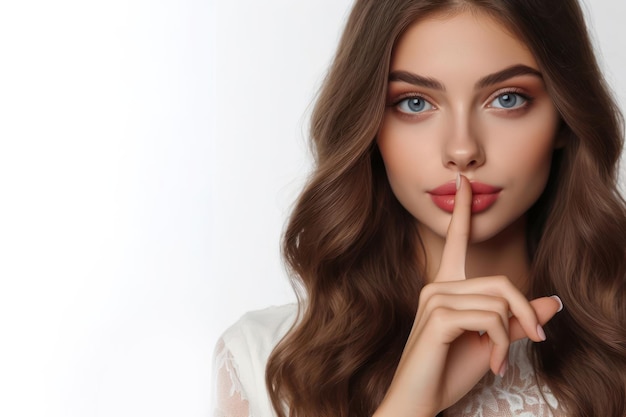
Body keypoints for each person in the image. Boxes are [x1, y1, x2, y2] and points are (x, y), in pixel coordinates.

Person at [213, 0, 626, 416]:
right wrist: (408, 405)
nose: (462, 149)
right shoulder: (263, 362)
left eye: (507, 99)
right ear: (369, 123)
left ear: (565, 116)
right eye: (414, 103)